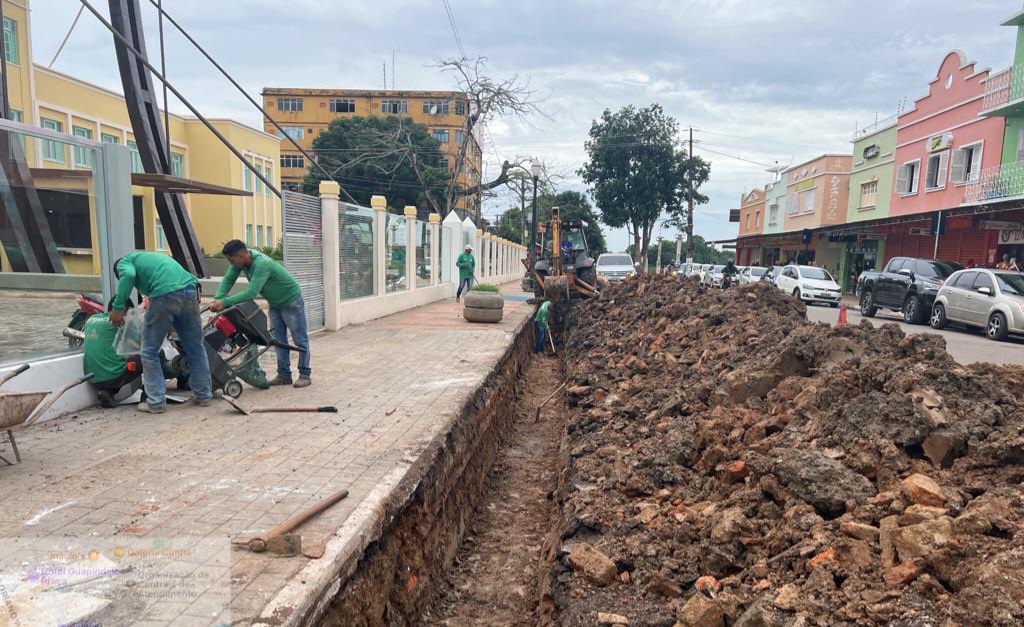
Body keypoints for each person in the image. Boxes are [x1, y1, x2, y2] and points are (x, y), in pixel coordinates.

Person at [110, 252, 212, 414]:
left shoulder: (125, 262)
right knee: (195, 348)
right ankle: (204, 396)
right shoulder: (148, 258)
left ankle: (156, 402)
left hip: (165, 294)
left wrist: (117, 308)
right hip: (190, 290)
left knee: (149, 351)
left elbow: (128, 275)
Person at [211, 240, 311, 388]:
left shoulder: (261, 264)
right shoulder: (241, 262)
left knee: (299, 340)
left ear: (241, 255)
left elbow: (251, 292)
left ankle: (305, 374)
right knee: (278, 340)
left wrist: (224, 302)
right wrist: (217, 299)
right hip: (275, 303)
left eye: (231, 260)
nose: (231, 264)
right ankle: (284, 375)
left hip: (291, 301)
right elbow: (228, 280)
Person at [85, 298, 141, 408]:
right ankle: (148, 397)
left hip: (93, 378)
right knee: (152, 355)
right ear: (124, 311)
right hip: (113, 376)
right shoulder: (119, 321)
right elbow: (141, 341)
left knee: (114, 362)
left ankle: (107, 393)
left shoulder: (91, 319)